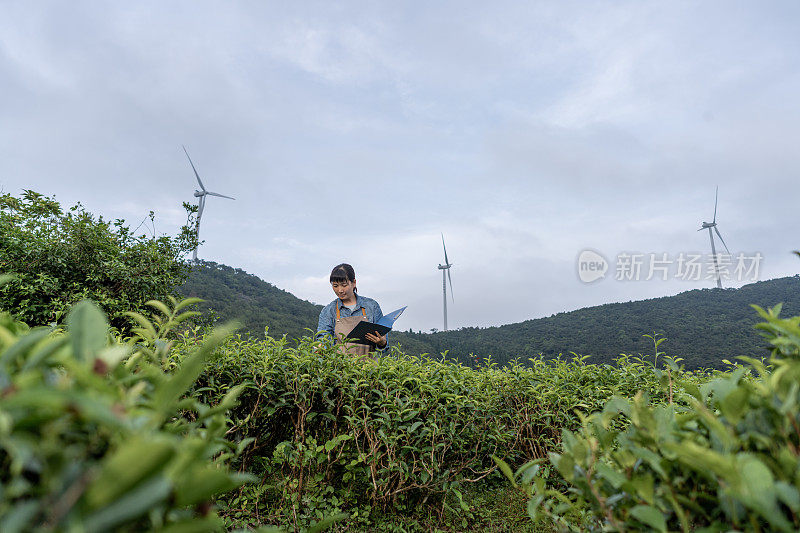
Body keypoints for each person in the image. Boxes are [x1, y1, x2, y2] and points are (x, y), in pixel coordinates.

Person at [316, 263, 387, 357]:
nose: (340, 290)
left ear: (354, 283)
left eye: (344, 285)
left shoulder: (372, 306)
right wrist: (322, 347)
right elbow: (324, 337)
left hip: (370, 369)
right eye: (335, 286)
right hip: (340, 369)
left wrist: (382, 343)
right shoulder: (329, 311)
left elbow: (384, 346)